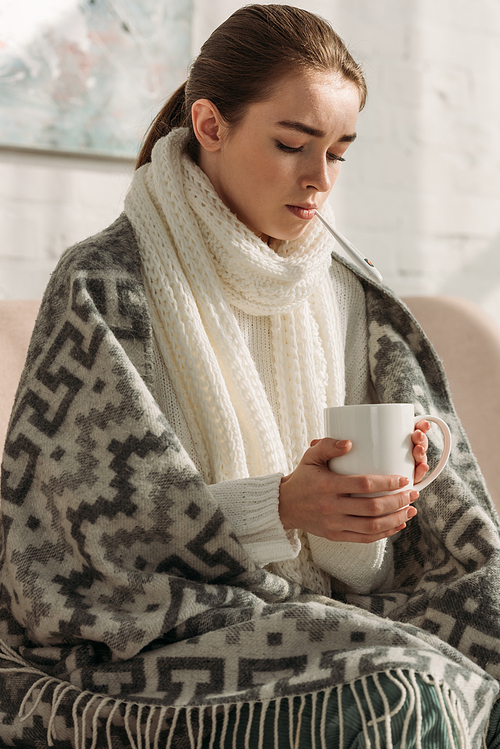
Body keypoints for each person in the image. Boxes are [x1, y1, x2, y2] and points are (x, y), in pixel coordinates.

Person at [1, 5, 500, 748]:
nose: (318, 179)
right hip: (160, 633)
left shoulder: (349, 294)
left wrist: (371, 510)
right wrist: (282, 504)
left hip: (329, 615)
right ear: (209, 124)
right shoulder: (104, 285)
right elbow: (84, 554)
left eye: (338, 152)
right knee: (401, 688)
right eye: (292, 144)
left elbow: (359, 579)